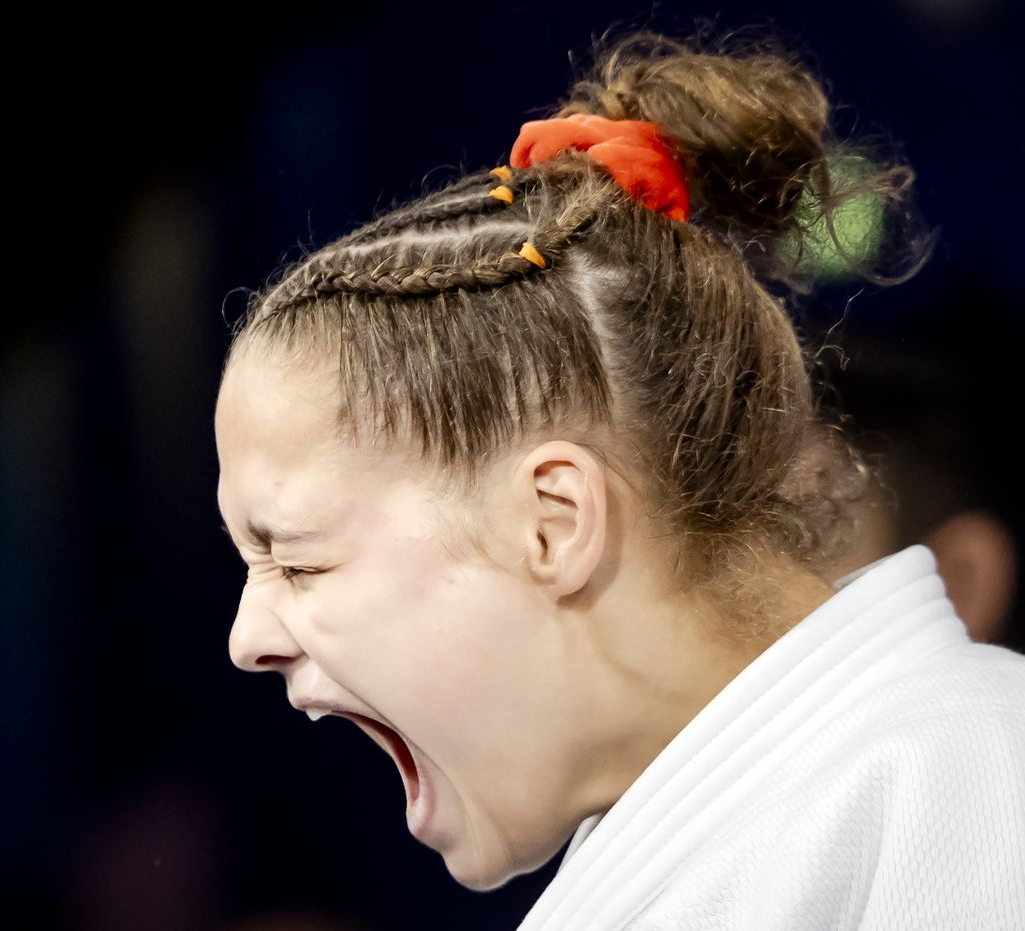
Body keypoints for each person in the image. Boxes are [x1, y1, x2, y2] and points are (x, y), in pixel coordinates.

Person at [214, 30, 1025, 929]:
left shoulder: (980, 793)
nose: (248, 639)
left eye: (298, 561)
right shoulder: (793, 825)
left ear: (554, 519)